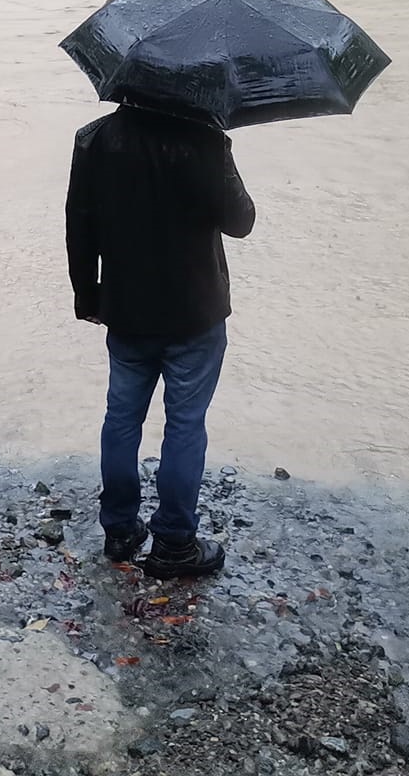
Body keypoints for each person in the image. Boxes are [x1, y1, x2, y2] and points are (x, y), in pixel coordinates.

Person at [66, 103, 255, 578]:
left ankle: (119, 529)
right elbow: (241, 221)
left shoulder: (94, 139)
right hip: (195, 313)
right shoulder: (204, 139)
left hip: (127, 310)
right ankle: (174, 543)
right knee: (186, 425)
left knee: (122, 418)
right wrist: (222, 150)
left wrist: (87, 294)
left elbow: (79, 223)